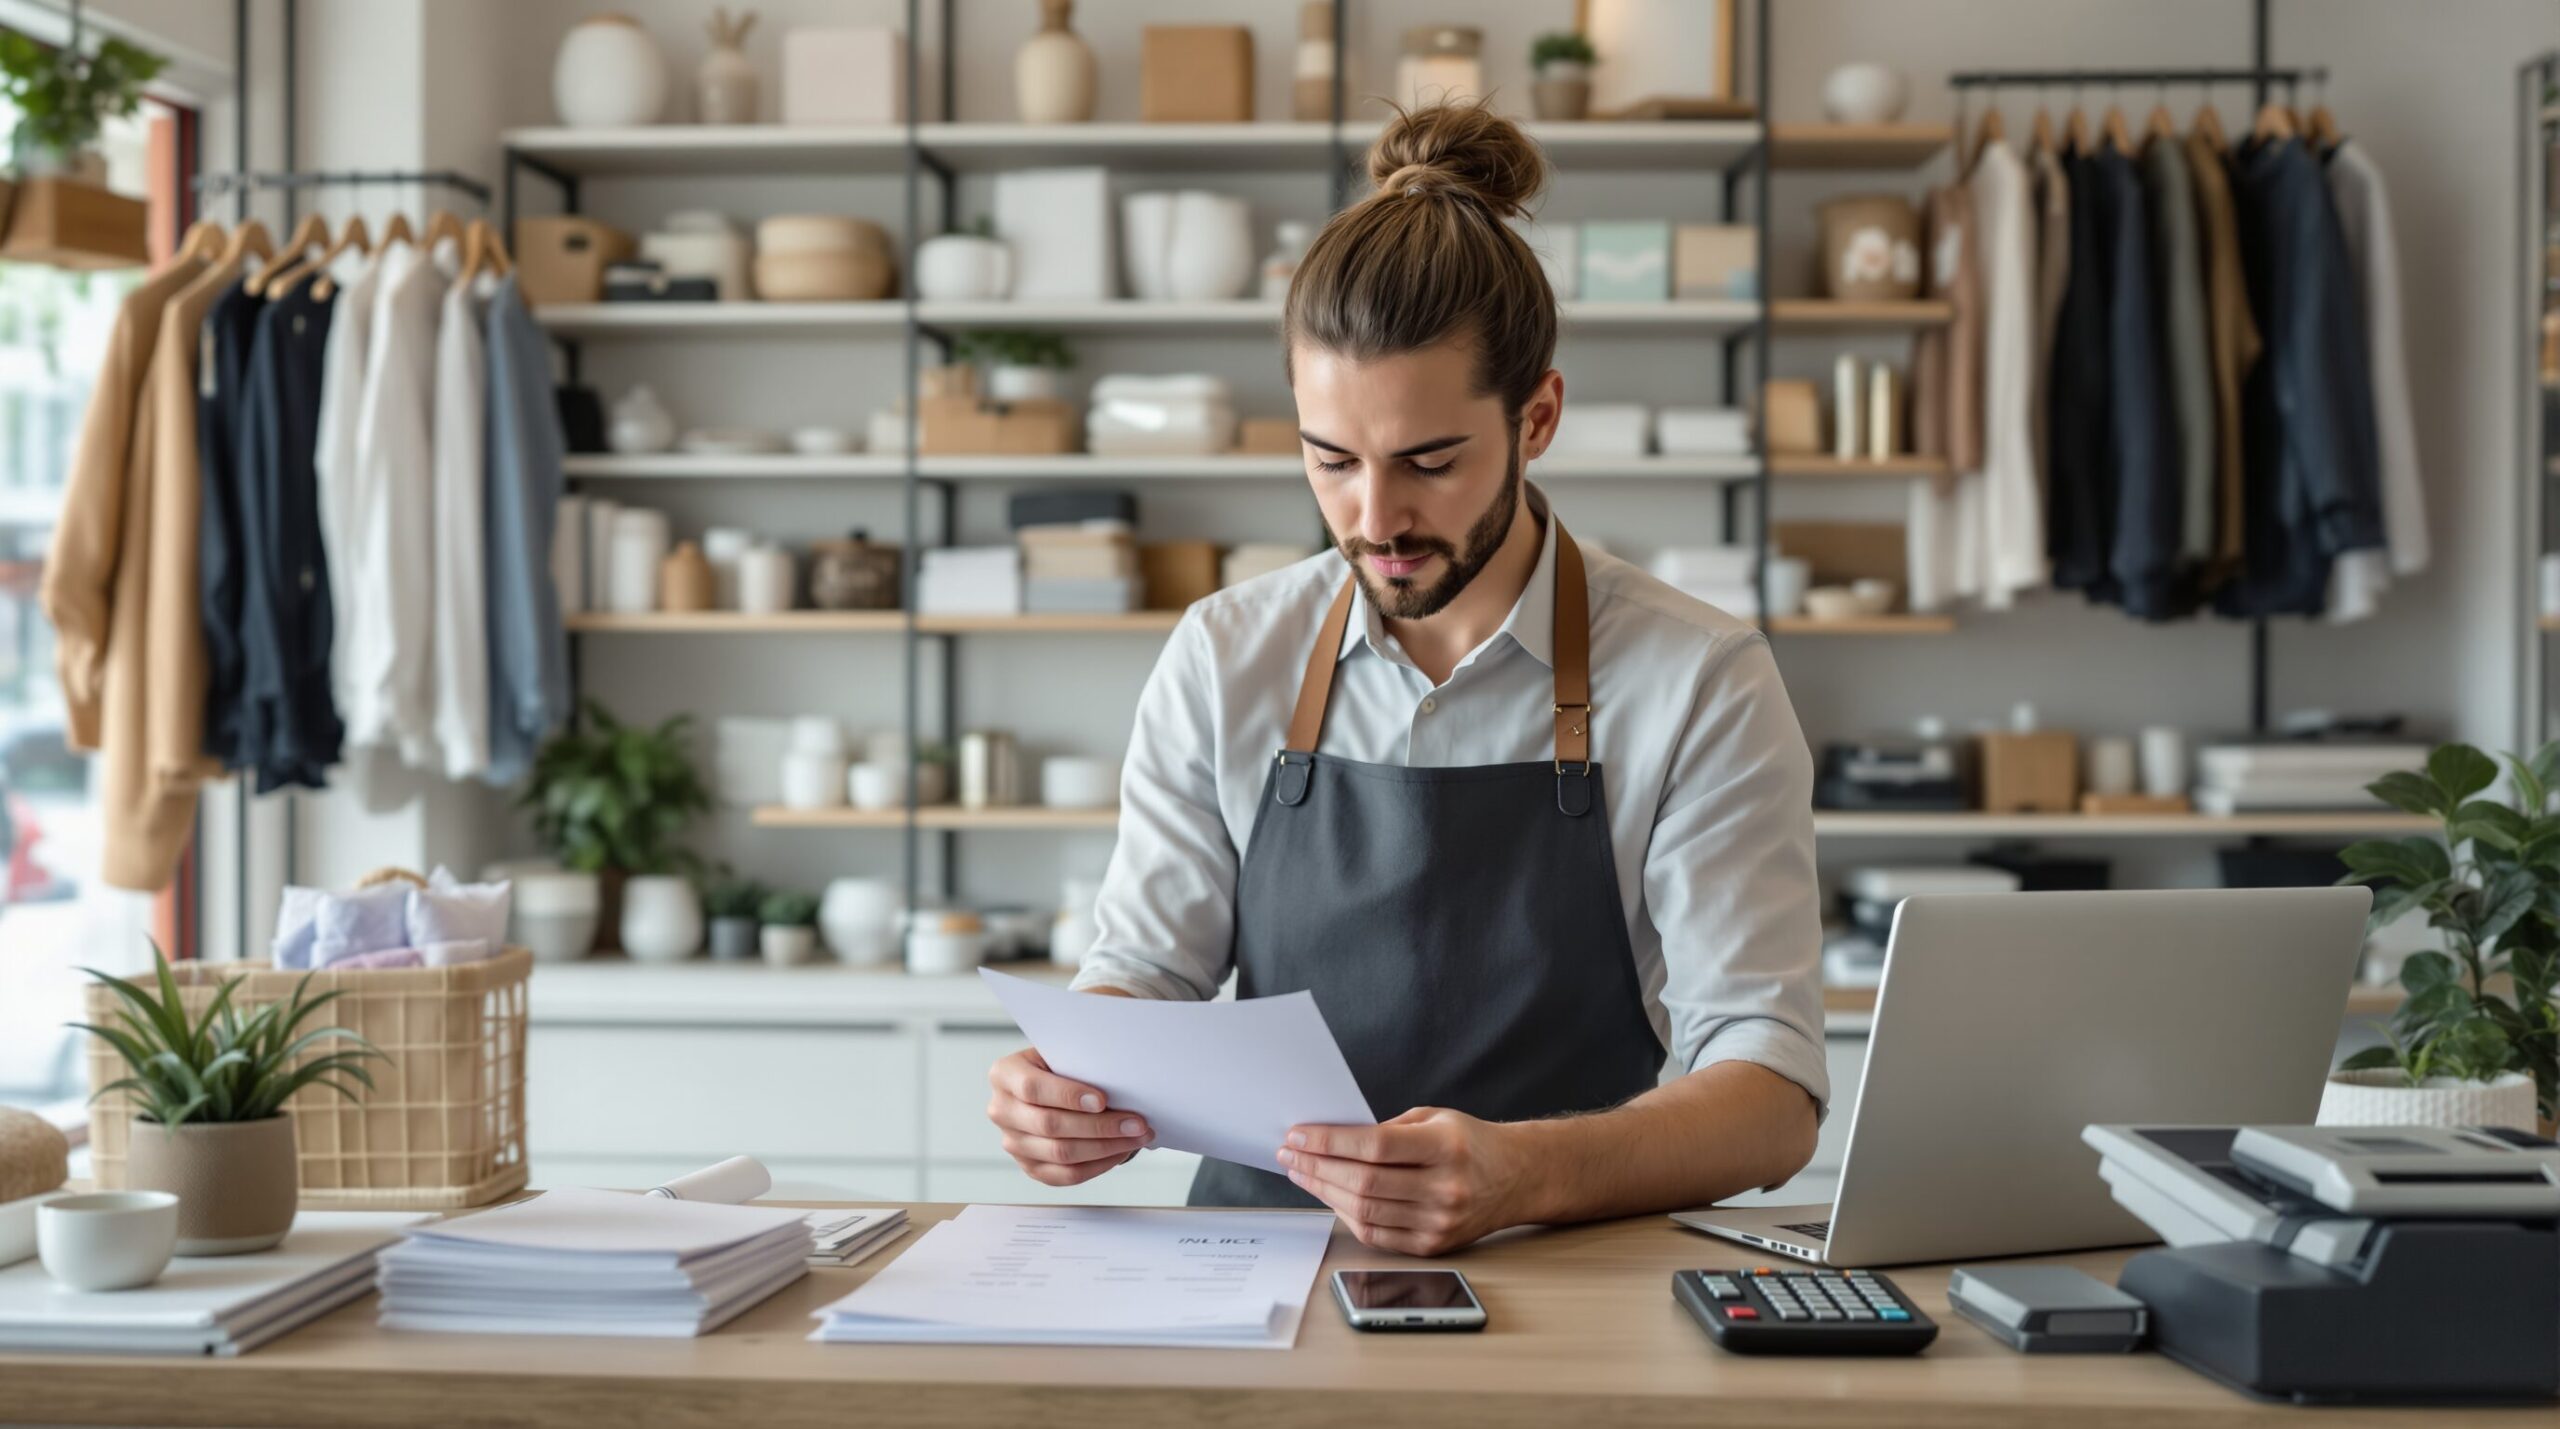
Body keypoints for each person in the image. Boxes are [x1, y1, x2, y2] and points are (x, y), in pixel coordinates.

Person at [985, 101, 1827, 1256]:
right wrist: (1068, 1087)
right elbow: (1144, 970)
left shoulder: (1699, 679)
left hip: (1568, 1279)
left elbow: (1769, 1094)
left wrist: (1521, 1172)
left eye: (1429, 462)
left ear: (1536, 417)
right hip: (1254, 1272)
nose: (1374, 521)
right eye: (1330, 461)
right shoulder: (1227, 653)